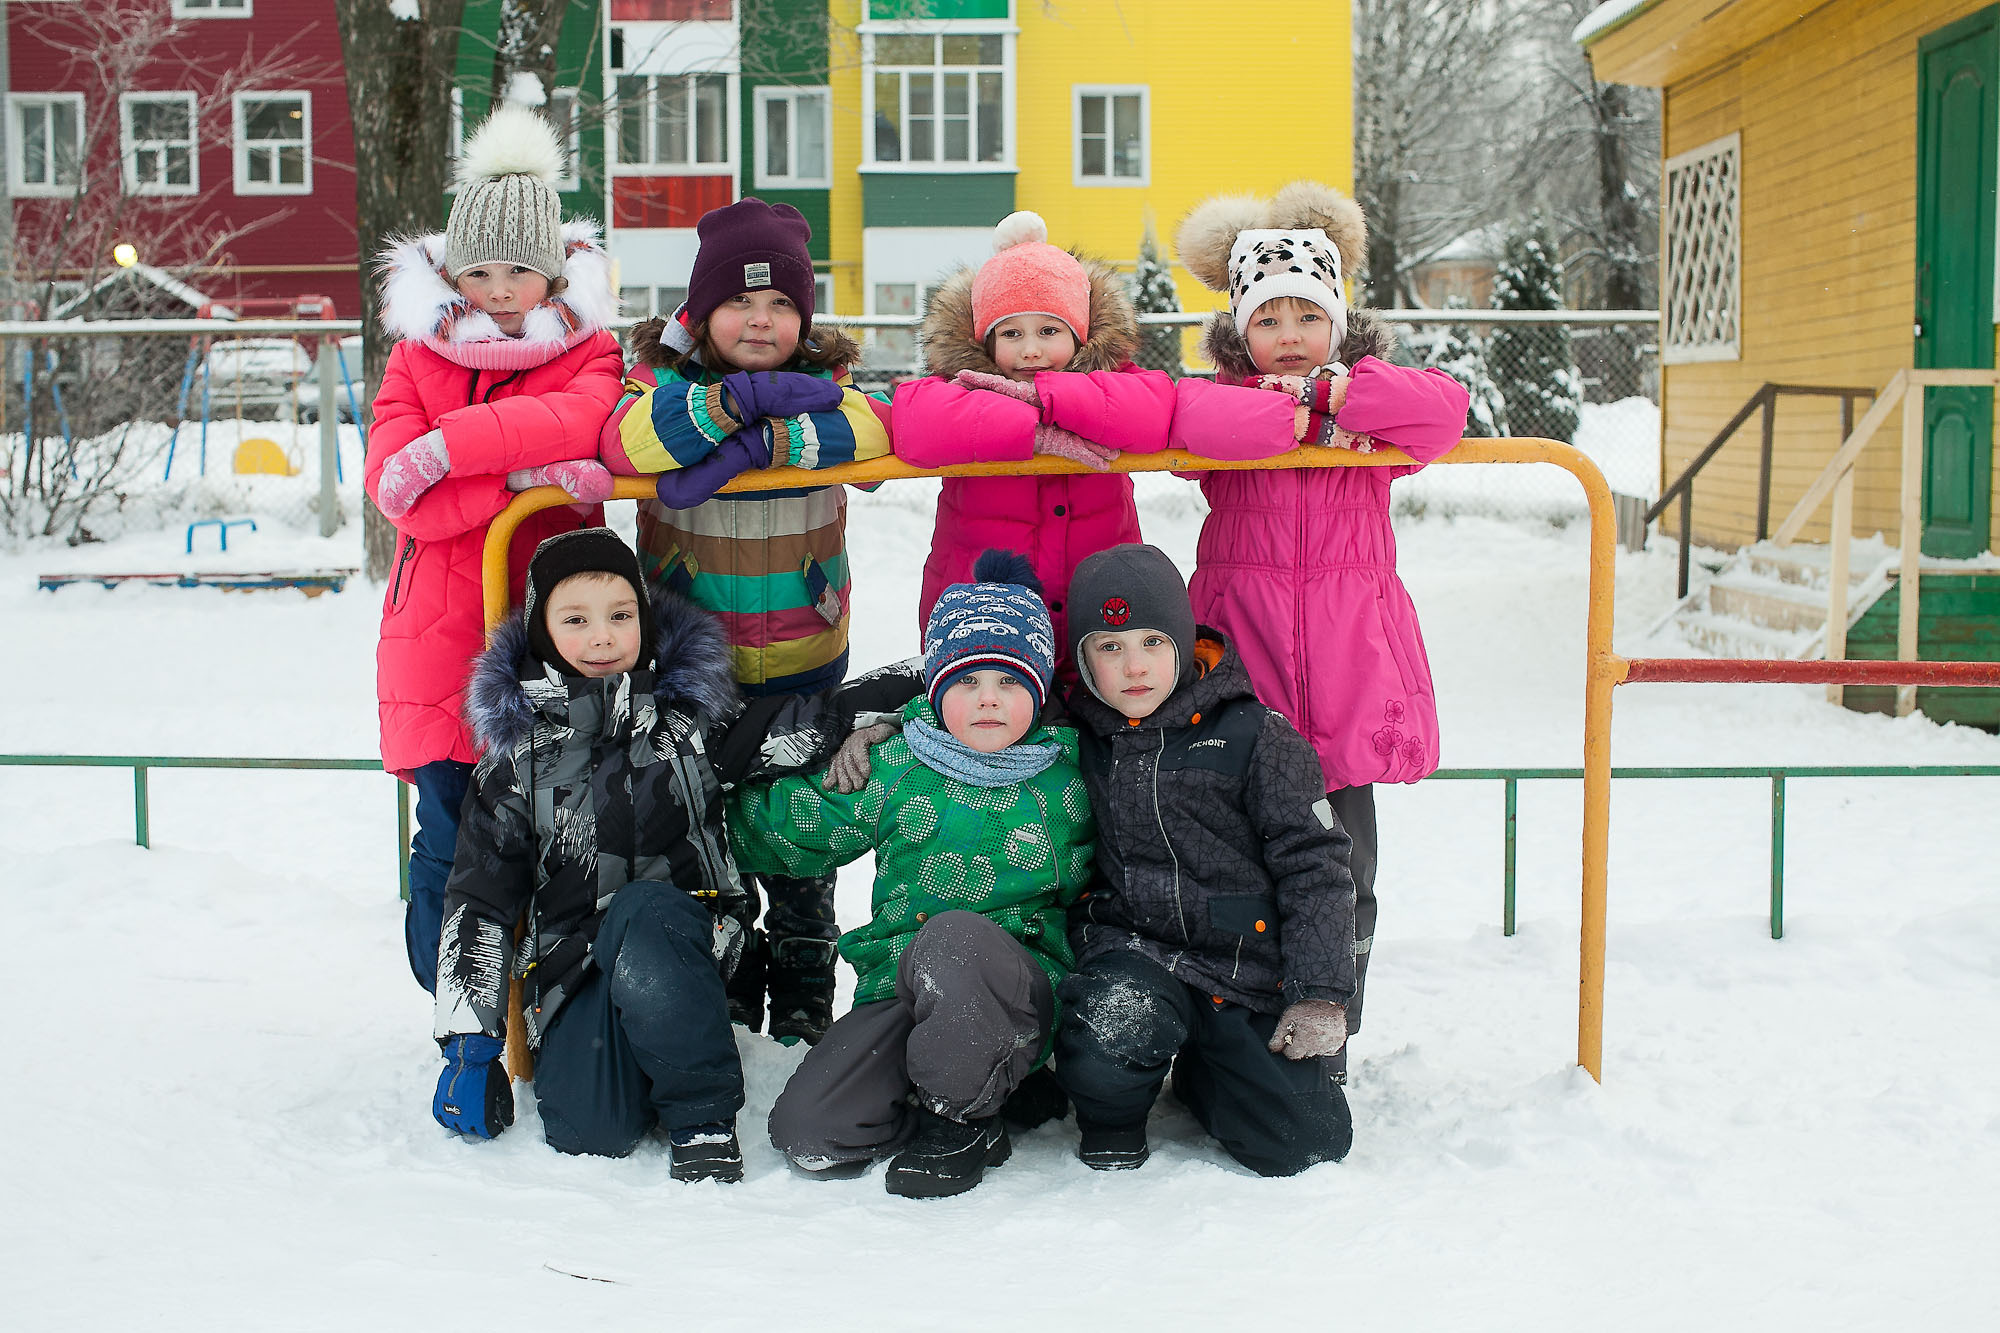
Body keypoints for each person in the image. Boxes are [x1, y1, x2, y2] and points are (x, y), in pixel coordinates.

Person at [1168, 182, 1472, 1075]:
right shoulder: (1224, 403)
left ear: (1339, 324)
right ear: (1240, 331)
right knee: (1237, 860)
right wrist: (1304, 411)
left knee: (1341, 863)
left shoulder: (1371, 406)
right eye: (1269, 317)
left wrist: (1342, 395)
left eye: (1309, 313)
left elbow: (1443, 409)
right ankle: (1231, 1036)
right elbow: (1190, 419)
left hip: (1348, 667)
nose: (1290, 334)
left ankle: (1329, 1031)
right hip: (1246, 657)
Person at [599, 197, 892, 1046]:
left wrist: (772, 440)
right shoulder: (659, 386)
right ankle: (726, 975)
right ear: (700, 313)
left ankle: (804, 970)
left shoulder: (831, 391)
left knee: (800, 822)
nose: (760, 320)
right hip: (693, 676)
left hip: (805, 661)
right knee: (707, 826)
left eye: (781, 306)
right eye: (739, 303)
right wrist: (732, 409)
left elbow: (878, 434)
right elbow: (631, 446)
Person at [730, 552, 1096, 1199]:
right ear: (934, 687)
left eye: (1009, 683)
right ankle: (960, 1091)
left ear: (1038, 691)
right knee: (810, 1133)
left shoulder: (1069, 781)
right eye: (967, 681)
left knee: (955, 936)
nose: (988, 698)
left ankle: (962, 1117)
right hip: (903, 989)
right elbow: (786, 829)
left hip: (1023, 998)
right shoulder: (896, 763)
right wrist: (688, 804)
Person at [364, 105, 625, 994]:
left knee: (557, 824)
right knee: (448, 824)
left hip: (552, 626)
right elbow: (401, 493)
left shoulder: (590, 350)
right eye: (480, 271)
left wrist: (450, 449)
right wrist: (519, 478)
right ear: (453, 271)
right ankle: (457, 1008)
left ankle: (545, 998)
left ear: (552, 270)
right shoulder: (413, 359)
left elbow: (582, 418)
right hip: (435, 633)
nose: (500, 289)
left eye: (520, 269)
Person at [1051, 543, 1358, 1177]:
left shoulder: (1256, 737)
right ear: (1083, 660)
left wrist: (1320, 995)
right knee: (1110, 1030)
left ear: (1185, 643)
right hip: (1132, 952)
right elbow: (966, 690)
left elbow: (1316, 867)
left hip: (1241, 970)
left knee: (1307, 1144)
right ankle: (1114, 1117)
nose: (1134, 666)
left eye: (1152, 643)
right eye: (1109, 648)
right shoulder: (1073, 737)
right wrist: (880, 726)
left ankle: (1208, 1073)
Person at [891, 210, 1174, 668]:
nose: (1030, 350)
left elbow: (1152, 409)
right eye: (1011, 333)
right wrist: (1038, 434)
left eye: (1048, 331)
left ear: (1080, 336)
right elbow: (914, 424)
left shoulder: (1113, 378)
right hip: (986, 615)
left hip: (1099, 608)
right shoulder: (960, 385)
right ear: (987, 342)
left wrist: (1040, 396)